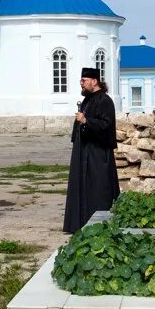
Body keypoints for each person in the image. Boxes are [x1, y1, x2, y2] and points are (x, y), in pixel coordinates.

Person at [62, 67, 120, 233]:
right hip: (84, 150)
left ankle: (98, 223)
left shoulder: (105, 101)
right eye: (81, 81)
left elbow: (105, 125)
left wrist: (86, 120)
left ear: (94, 81)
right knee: (82, 186)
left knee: (98, 187)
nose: (81, 84)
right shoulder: (88, 100)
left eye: (84, 81)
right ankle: (80, 222)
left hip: (97, 152)